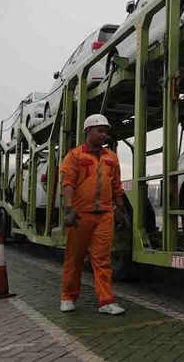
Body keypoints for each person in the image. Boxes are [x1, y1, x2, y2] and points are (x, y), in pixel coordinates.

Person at [59, 114, 129, 315]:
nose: (104, 135)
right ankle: (67, 296)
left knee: (102, 258)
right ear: (88, 131)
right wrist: (68, 209)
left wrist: (120, 210)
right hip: (80, 215)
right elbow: (68, 183)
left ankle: (106, 301)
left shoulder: (111, 158)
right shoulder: (75, 155)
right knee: (75, 258)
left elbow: (116, 186)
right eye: (100, 131)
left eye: (106, 131)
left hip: (105, 214)